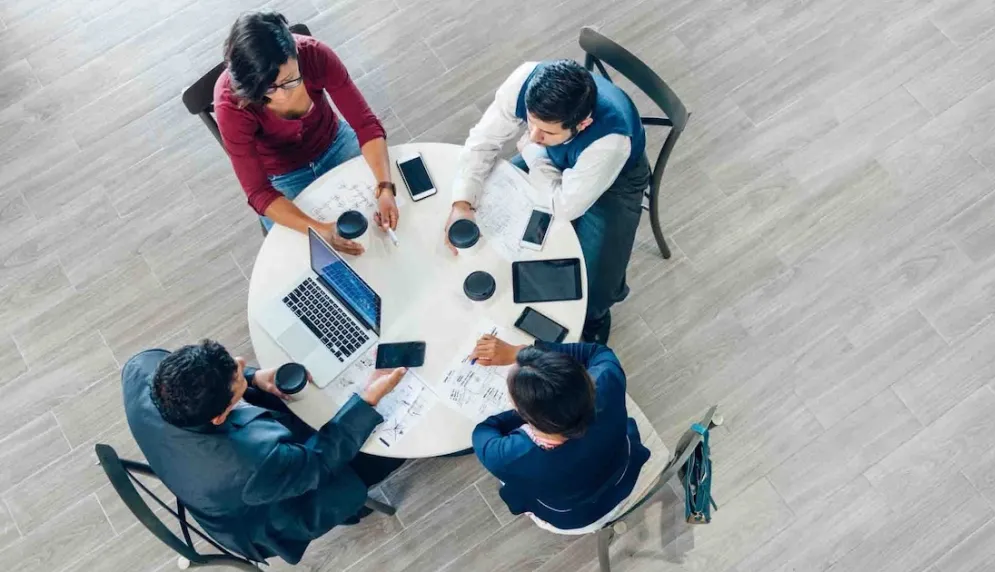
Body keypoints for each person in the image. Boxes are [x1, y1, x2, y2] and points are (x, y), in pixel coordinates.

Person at [121, 340, 406, 565]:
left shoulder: (143, 369)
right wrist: (367, 400)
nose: (240, 362)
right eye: (236, 375)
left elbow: (213, 376)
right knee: (381, 451)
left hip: (191, 470)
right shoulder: (250, 464)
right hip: (261, 518)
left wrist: (252, 379)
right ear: (219, 417)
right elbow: (318, 462)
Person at [447, 60, 650, 344]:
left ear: (583, 123)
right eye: (530, 122)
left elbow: (565, 206)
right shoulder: (524, 81)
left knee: (597, 276)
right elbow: (483, 142)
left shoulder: (611, 142)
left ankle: (594, 318)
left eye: (547, 131)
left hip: (615, 182)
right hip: (553, 160)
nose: (533, 135)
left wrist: (533, 153)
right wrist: (462, 204)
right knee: (495, 209)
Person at [216, 11, 399, 255]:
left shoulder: (315, 54)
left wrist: (385, 187)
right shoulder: (231, 102)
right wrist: (318, 229)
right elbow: (258, 191)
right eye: (268, 89)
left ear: (295, 53)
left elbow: (365, 125)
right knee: (308, 260)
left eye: (290, 80)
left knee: (391, 222)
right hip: (281, 176)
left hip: (335, 141)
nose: (283, 95)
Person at [469, 335, 650, 533]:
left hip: (575, 518)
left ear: (522, 413)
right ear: (584, 381)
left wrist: (526, 413)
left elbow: (484, 430)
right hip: (624, 474)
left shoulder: (509, 455)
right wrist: (523, 352)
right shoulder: (608, 379)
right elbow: (596, 352)